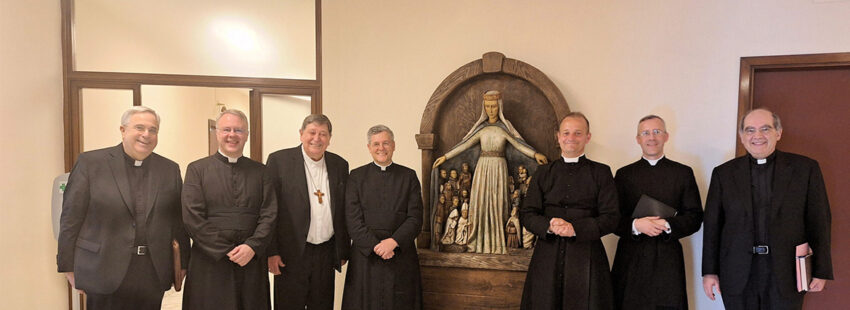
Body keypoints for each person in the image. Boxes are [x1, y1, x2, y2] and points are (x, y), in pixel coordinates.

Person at [57, 106, 190, 309]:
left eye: (153, 130)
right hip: (103, 268)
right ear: (123, 130)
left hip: (152, 272)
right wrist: (67, 266)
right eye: (139, 127)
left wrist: (182, 264)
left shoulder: (169, 169)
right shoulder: (91, 164)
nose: (146, 135)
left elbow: (178, 221)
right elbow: (70, 218)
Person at [702, 108, 833, 310]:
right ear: (742, 137)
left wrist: (821, 270)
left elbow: (820, 222)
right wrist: (709, 273)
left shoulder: (805, 169)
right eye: (750, 130)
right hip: (737, 273)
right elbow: (712, 227)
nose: (758, 136)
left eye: (765, 129)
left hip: (786, 273)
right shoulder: (723, 174)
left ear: (778, 133)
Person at [519, 112, 619, 310]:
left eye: (577, 133)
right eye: (566, 133)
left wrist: (576, 229)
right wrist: (548, 226)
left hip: (587, 255)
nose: (570, 138)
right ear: (558, 137)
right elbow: (527, 213)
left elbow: (612, 217)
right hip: (547, 255)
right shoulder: (543, 173)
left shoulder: (601, 172)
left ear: (587, 137)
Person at [181, 109, 277, 310]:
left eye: (239, 130)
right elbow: (193, 217)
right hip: (210, 261)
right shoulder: (197, 170)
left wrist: (252, 246)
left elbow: (270, 214)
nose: (232, 135)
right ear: (217, 132)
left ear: (247, 135)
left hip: (250, 259)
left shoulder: (261, 172)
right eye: (226, 129)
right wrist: (226, 250)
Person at [433, 90, 548, 254]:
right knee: (480, 202)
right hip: (482, 168)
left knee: (497, 203)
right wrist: (445, 157)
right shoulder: (481, 130)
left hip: (499, 168)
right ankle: (478, 242)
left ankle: (497, 243)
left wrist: (535, 154)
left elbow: (518, 145)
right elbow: (463, 145)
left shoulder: (504, 129)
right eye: (487, 106)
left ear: (499, 107)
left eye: (494, 106)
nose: (491, 110)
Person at [611, 115, 704, 310]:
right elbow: (612, 218)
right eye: (645, 133)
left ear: (666, 136)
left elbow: (695, 216)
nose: (651, 137)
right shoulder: (623, 174)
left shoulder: (683, 173)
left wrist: (667, 225)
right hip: (631, 257)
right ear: (638, 139)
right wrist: (636, 225)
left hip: (667, 257)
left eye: (656, 132)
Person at [266, 114, 350, 310]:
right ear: (301, 134)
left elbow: (344, 211)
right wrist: (271, 251)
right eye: (312, 132)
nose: (317, 138)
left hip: (326, 252)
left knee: (321, 305)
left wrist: (343, 249)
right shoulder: (279, 161)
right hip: (290, 253)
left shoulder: (340, 165)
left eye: (323, 134)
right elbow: (269, 209)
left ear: (329, 138)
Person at [343, 125, 423, 310]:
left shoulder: (408, 176)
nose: (381, 148)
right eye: (376, 144)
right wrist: (376, 246)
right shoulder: (356, 176)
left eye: (386, 143)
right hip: (366, 256)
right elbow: (353, 220)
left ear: (394, 145)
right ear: (369, 147)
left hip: (399, 254)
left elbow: (415, 217)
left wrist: (393, 242)